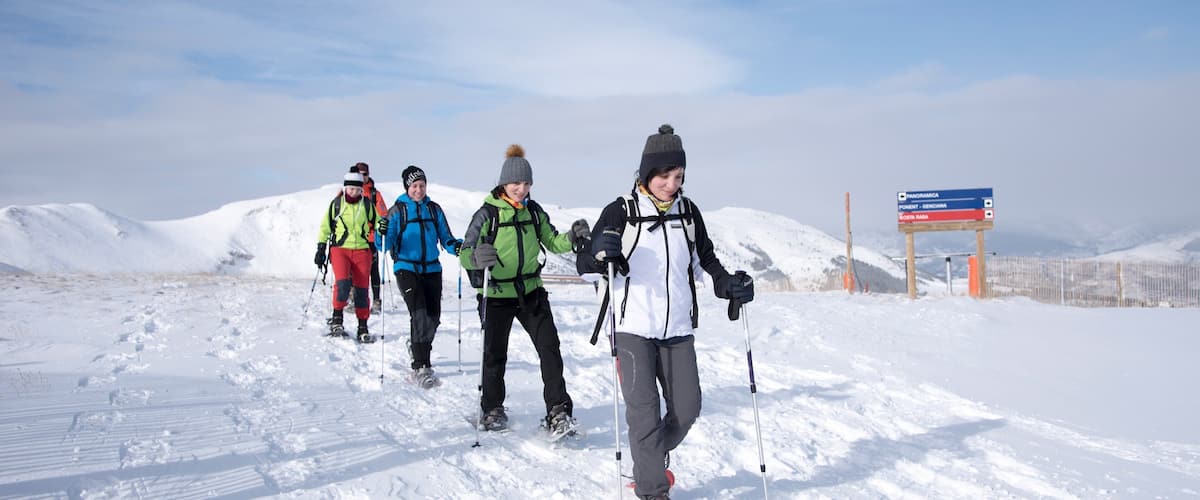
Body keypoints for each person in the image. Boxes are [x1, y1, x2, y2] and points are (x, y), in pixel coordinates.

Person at [577, 124, 754, 500]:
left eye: (679, 176)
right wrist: (601, 254)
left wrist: (728, 285)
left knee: (687, 410)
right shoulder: (621, 212)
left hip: (677, 329)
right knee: (643, 413)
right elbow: (586, 263)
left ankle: (650, 459)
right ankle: (653, 489)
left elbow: (706, 261)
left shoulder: (687, 213)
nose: (672, 185)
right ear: (646, 173)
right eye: (664, 176)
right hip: (631, 328)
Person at [459, 144, 592, 435]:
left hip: (531, 292)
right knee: (494, 354)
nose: (521, 189)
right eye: (516, 183)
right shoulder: (487, 214)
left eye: (526, 183)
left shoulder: (534, 212)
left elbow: (553, 241)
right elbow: (465, 252)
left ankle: (558, 411)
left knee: (549, 348)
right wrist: (476, 258)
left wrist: (572, 236)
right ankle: (492, 408)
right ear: (503, 183)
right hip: (496, 294)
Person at [380, 165, 463, 388]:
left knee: (433, 317)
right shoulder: (397, 211)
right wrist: (381, 231)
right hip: (406, 268)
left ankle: (416, 345)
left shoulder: (434, 210)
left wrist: (456, 246)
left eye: (422, 185)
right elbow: (383, 245)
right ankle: (421, 365)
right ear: (407, 187)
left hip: (432, 269)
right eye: (414, 186)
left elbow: (446, 237)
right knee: (419, 314)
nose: (419, 190)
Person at [315, 168, 385, 343]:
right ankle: (337, 320)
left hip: (362, 250)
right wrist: (321, 248)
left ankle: (363, 327)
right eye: (351, 189)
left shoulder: (367, 205)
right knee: (343, 284)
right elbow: (325, 227)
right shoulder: (336, 204)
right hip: (340, 249)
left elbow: (378, 222)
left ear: (362, 189)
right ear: (345, 188)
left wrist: (382, 227)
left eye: (358, 189)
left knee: (362, 289)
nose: (354, 192)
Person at [355, 162, 389, 313]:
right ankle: (353, 298)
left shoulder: (375, 194)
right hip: (354, 238)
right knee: (354, 269)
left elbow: (383, 213)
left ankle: (376, 300)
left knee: (373, 269)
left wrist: (380, 226)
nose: (362, 177)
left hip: (371, 238)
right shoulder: (350, 191)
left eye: (365, 174)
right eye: (360, 174)